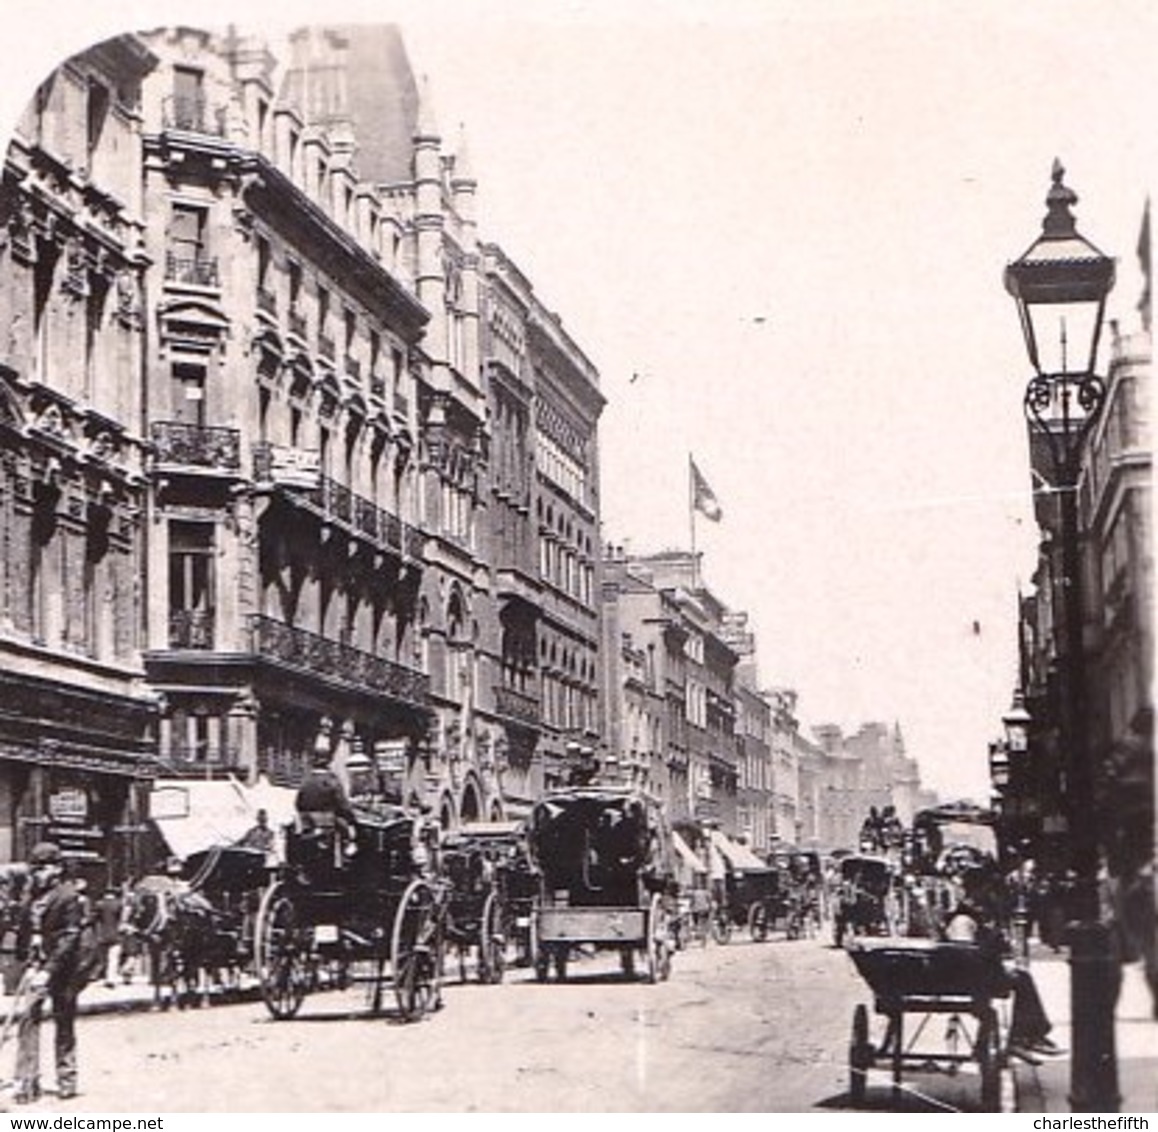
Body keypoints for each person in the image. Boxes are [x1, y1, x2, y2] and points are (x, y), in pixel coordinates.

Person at [942, 863, 1063, 1064]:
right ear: (979, 890)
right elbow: (963, 954)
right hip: (968, 981)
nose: (990, 896)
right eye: (987, 890)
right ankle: (1023, 1037)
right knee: (1021, 978)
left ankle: (1029, 1035)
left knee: (1020, 976)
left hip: (970, 977)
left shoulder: (973, 915)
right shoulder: (963, 919)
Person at [13, 842, 87, 1103]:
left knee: (64, 1023)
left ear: (56, 869)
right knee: (28, 1021)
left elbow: (70, 937)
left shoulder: (68, 896)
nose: (36, 874)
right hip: (36, 967)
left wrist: (48, 970)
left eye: (41, 869)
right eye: (34, 869)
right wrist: (25, 957)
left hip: (63, 970)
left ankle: (67, 1079)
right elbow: (23, 930)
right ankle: (27, 1081)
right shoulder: (30, 896)